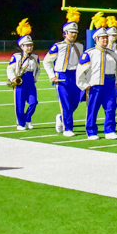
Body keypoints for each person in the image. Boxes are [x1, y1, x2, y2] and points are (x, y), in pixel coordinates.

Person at [76, 13, 117, 140]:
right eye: (102, 38)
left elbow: (116, 70)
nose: (105, 40)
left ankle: (109, 131)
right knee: (93, 109)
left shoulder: (113, 54)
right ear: (96, 39)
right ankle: (91, 131)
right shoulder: (89, 54)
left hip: (110, 84)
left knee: (111, 108)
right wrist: (84, 85)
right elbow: (80, 71)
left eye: (106, 38)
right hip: (95, 85)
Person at [43, 7, 84, 137]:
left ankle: (61, 118)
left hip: (75, 76)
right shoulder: (58, 46)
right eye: (71, 32)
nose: (74, 35)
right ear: (65, 33)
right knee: (65, 103)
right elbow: (46, 61)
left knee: (76, 101)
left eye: (75, 32)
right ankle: (68, 128)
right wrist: (51, 76)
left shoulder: (80, 46)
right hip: (62, 76)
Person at [7, 18, 40, 130]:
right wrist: (13, 79)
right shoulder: (16, 56)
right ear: (22, 47)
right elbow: (9, 69)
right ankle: (20, 124)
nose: (29, 47)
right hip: (20, 82)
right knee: (20, 105)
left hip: (30, 82)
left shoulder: (35, 57)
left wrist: (35, 78)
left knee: (33, 102)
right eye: (27, 45)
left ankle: (27, 119)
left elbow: (38, 69)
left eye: (31, 45)